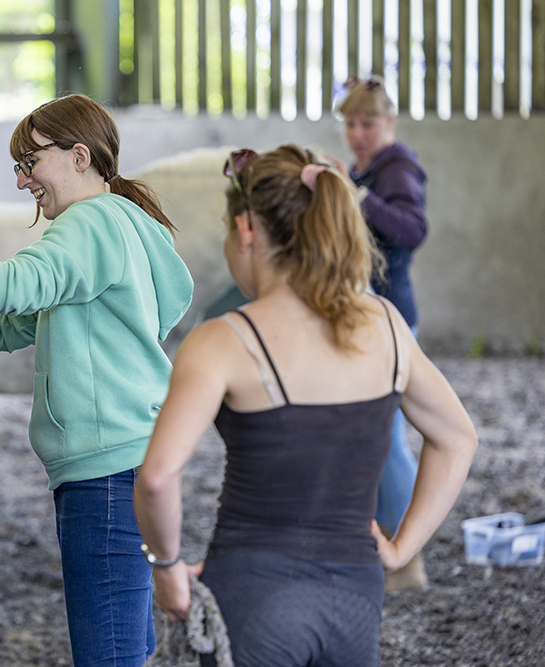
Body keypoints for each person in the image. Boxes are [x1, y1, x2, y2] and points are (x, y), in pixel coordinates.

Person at [134, 145, 477, 666]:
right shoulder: (385, 324)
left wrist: (167, 568)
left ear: (246, 229)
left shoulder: (222, 340)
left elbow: (158, 477)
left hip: (252, 593)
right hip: (357, 595)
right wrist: (402, 547)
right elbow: (457, 439)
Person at [0, 93, 194, 665]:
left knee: (109, 652)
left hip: (106, 471)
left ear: (80, 156)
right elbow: (7, 328)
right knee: (125, 639)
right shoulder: (117, 225)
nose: (22, 181)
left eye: (29, 163)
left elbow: (15, 284)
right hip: (127, 460)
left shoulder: (91, 222)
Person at [332, 76, 431, 591]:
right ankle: (386, 545)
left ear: (389, 123)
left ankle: (406, 555)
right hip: (373, 314)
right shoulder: (365, 169)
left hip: (391, 316)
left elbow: (413, 230)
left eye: (368, 122)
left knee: (386, 435)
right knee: (372, 433)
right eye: (350, 122)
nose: (358, 132)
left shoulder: (397, 169)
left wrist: (357, 198)